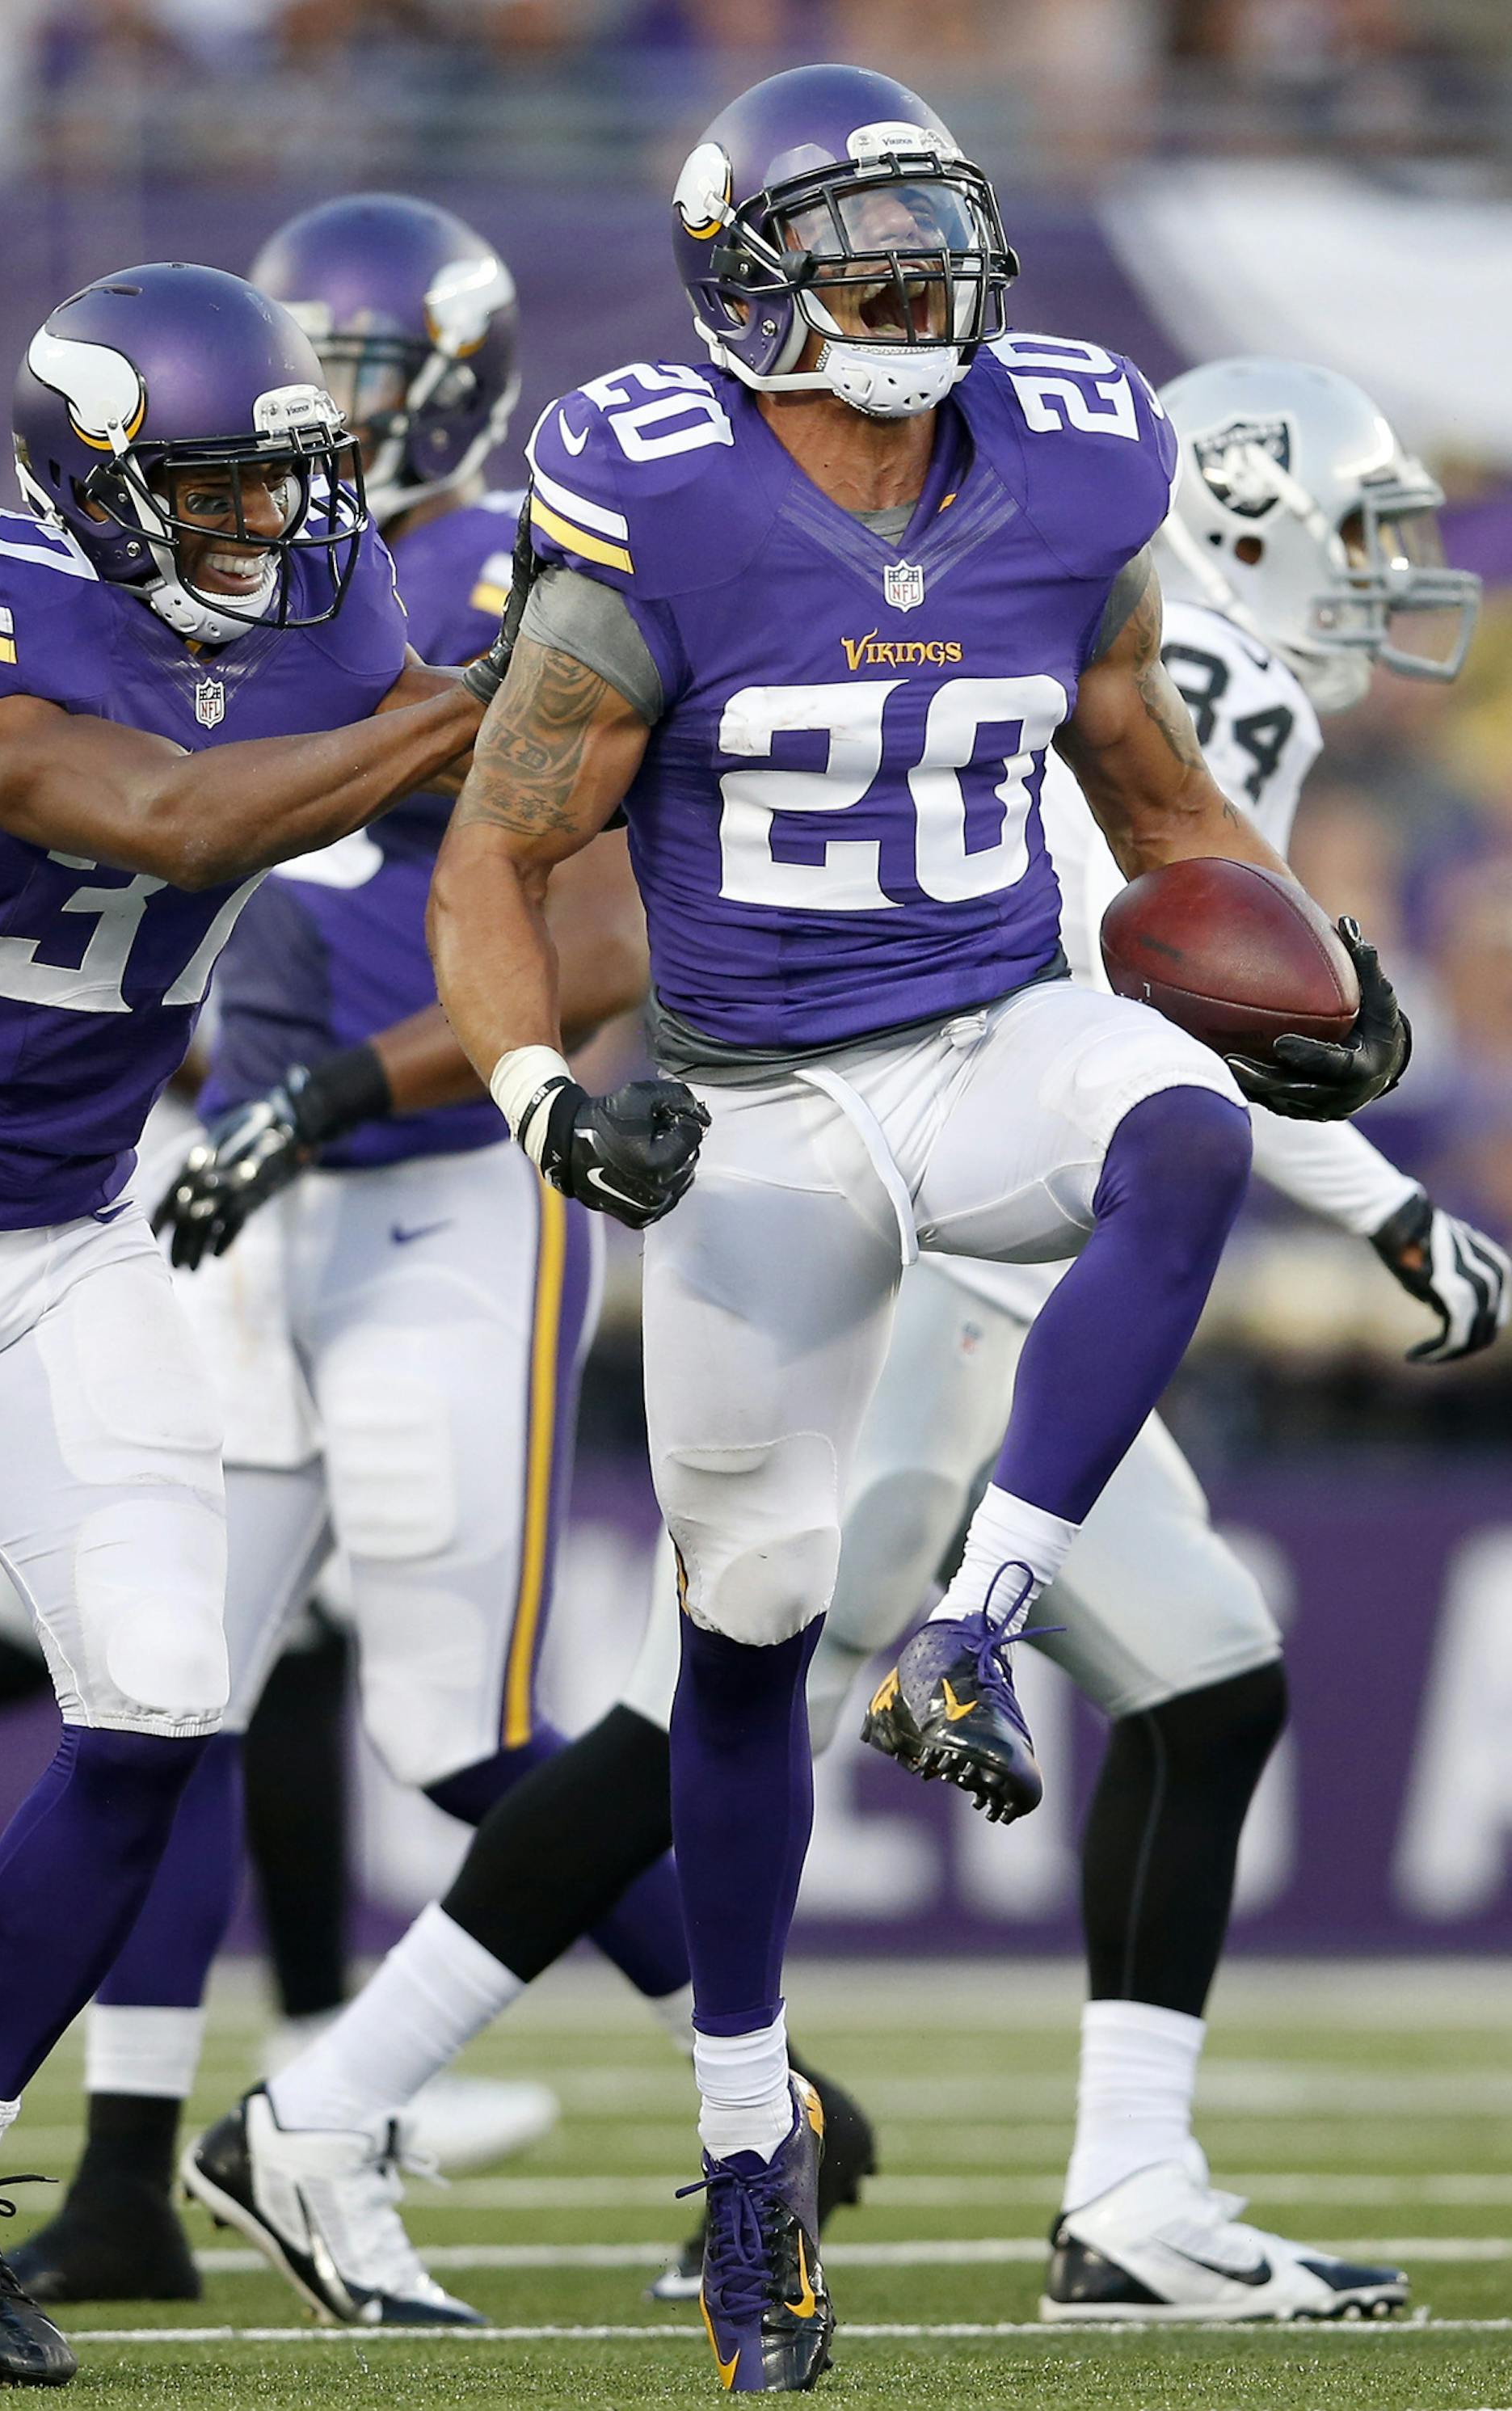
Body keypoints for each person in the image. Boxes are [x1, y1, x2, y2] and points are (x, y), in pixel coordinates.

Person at [418, 68, 1407, 2392]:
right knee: (742, 1640)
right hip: (757, 1102)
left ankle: (975, 1627)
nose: (919, 277)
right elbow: (500, 855)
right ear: (747, 279)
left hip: (985, 1039)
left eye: (931, 228)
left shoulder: (1070, 453)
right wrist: (543, 1096)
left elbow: (1146, 780)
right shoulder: (661, 499)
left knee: (1179, 1129)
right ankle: (745, 2148)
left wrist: (1311, 966)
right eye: (861, 243)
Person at [0, 258, 525, 2384]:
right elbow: (164, 822)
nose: (265, 526)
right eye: (210, 490)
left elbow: (492, 817)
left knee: (170, 1698)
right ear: (88, 480)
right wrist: (488, 685)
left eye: (280, 482)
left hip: (75, 1235)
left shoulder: (335, 607)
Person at [4, 194, 684, 2322]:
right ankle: (126, 2179)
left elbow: (601, 946)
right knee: (161, 1694)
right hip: (240, 1189)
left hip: (450, 1181)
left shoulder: (512, 584)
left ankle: (765, 2077)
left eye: (372, 381)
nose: (332, 428)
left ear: (462, 385)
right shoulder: (236, 594)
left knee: (458, 1734)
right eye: (314, 386)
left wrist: (317, 1094)